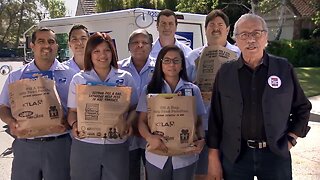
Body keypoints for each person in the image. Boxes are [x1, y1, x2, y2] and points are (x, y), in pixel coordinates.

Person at [207, 13, 312, 180]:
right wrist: (213, 158)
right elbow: (215, 118)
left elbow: (303, 108)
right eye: (245, 34)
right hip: (235, 157)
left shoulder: (283, 69)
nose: (251, 39)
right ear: (236, 39)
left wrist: (291, 139)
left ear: (266, 36)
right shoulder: (225, 73)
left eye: (257, 33)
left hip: (275, 156)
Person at [0, 27, 75, 180]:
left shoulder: (71, 75)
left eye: (51, 41)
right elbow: (3, 107)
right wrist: (11, 122)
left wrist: (71, 123)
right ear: (32, 45)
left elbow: (79, 110)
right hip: (26, 145)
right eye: (41, 41)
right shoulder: (16, 76)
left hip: (59, 145)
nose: (47, 45)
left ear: (56, 46)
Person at [67, 32, 138, 180]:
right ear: (90, 54)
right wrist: (74, 125)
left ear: (112, 52)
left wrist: (129, 122)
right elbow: (72, 112)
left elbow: (134, 109)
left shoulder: (125, 78)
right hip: (85, 144)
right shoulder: (79, 79)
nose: (102, 55)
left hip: (116, 144)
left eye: (107, 50)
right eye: (96, 51)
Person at [185, 10, 241, 180]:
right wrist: (195, 92)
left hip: (231, 127)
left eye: (220, 25)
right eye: (211, 25)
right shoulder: (192, 57)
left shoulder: (240, 55)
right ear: (205, 29)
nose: (216, 28)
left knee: (230, 173)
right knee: (202, 173)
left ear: (228, 29)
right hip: (203, 125)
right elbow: (183, 88)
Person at [136, 45, 206, 180]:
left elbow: (199, 121)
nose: (171, 64)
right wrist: (150, 138)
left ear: (182, 65)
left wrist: (202, 139)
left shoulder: (193, 90)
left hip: (186, 157)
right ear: (160, 64)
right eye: (167, 60)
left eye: (176, 60)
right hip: (157, 157)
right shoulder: (149, 89)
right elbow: (141, 122)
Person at [118, 29, 155, 180]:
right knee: (129, 173)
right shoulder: (118, 69)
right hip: (126, 131)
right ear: (128, 46)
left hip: (151, 131)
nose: (140, 45)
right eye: (135, 42)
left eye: (144, 42)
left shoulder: (160, 68)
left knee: (153, 173)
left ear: (151, 47)